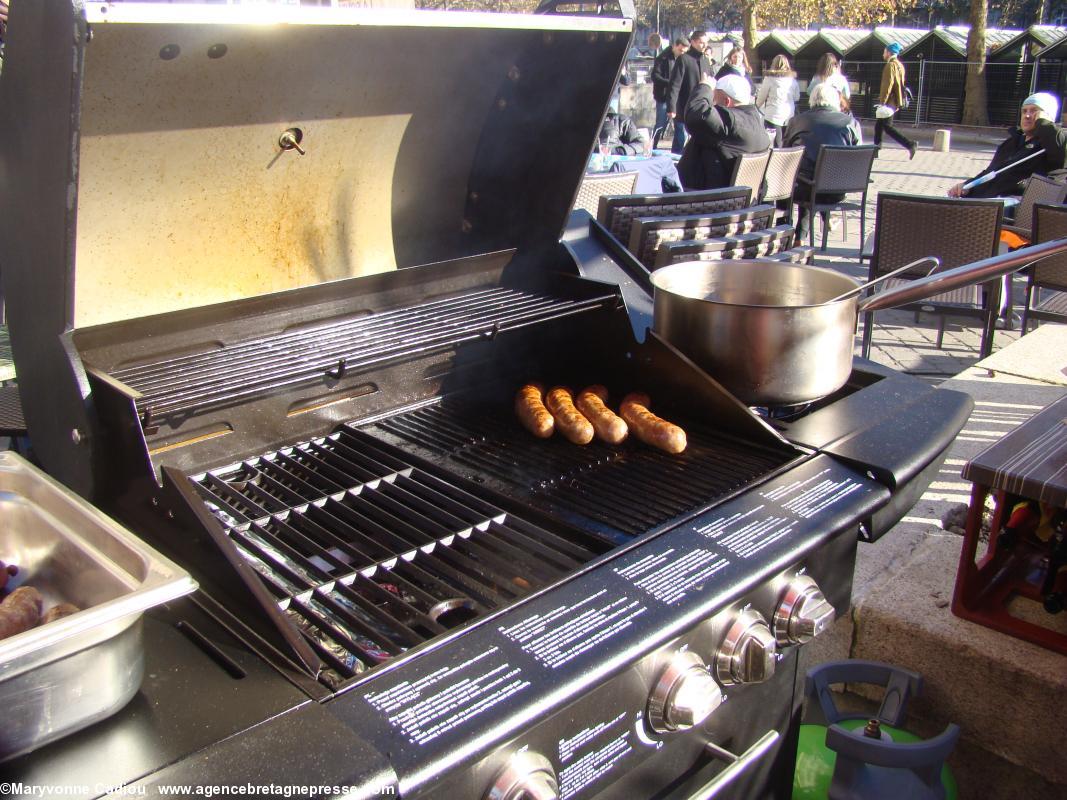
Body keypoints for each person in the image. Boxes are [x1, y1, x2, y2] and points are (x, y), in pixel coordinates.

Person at [948, 92, 1067, 199]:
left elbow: (1060, 150)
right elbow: (991, 172)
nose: (1027, 115)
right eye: (1024, 111)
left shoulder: (1053, 143)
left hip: (1014, 205)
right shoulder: (1012, 142)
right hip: (986, 202)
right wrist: (967, 185)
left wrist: (1044, 123)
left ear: (1046, 117)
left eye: (1034, 111)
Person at [783, 83, 862, 241]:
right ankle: (804, 233)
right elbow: (858, 157)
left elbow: (785, 153)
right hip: (837, 189)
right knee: (815, 179)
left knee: (806, 179)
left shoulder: (797, 121)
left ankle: (796, 235)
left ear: (811, 99)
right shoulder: (850, 123)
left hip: (804, 188)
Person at [677, 74, 769, 191]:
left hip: (709, 196)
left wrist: (704, 87)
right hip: (740, 196)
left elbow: (696, 115)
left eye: (714, 100)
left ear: (727, 101)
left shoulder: (730, 121)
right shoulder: (756, 121)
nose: (712, 105)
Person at [667, 30, 713, 155]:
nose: (704, 45)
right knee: (680, 138)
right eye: (701, 42)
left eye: (706, 43)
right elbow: (674, 85)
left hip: (701, 107)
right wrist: (672, 107)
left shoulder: (705, 60)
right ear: (692, 42)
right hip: (684, 106)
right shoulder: (684, 59)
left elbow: (710, 82)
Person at [874, 42, 917, 159]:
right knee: (879, 126)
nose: (883, 54)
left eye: (884, 52)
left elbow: (887, 85)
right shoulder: (899, 65)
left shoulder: (890, 65)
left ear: (889, 52)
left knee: (888, 127)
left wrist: (882, 102)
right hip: (896, 99)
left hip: (889, 101)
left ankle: (910, 144)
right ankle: (875, 150)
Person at [756, 54, 800, 147]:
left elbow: (761, 97)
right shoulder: (792, 80)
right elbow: (797, 97)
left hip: (773, 115)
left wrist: (756, 107)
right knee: (786, 143)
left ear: (773, 64)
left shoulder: (769, 79)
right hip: (788, 115)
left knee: (775, 144)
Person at [652, 37, 688, 149]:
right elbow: (655, 76)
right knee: (660, 124)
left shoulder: (685, 59)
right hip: (664, 96)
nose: (682, 53)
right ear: (674, 46)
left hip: (678, 97)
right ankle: (652, 146)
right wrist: (670, 83)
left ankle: (678, 151)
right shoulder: (662, 58)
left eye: (684, 52)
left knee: (680, 126)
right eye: (680, 50)